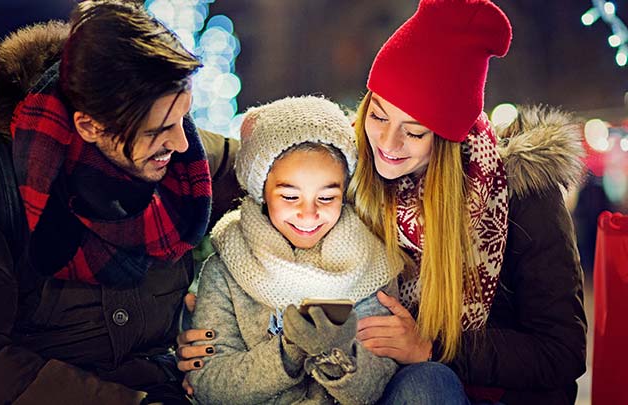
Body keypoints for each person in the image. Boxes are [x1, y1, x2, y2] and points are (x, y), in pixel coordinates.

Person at [0, 1, 240, 403]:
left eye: (183, 118)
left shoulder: (184, 160)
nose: (180, 142)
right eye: (157, 130)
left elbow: (288, 164)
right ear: (89, 126)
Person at [349, 0, 587, 404]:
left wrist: (432, 348)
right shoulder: (354, 174)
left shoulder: (522, 193)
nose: (387, 144)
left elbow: (561, 352)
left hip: (493, 396)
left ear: (445, 140)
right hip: (379, 383)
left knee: (427, 383)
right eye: (378, 116)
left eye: (415, 131)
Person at [186, 96, 402, 404]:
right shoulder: (227, 270)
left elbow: (376, 386)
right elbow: (209, 382)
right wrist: (289, 350)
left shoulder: (369, 264)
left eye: (326, 198)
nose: (309, 214)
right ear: (261, 189)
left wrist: (336, 352)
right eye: (290, 197)